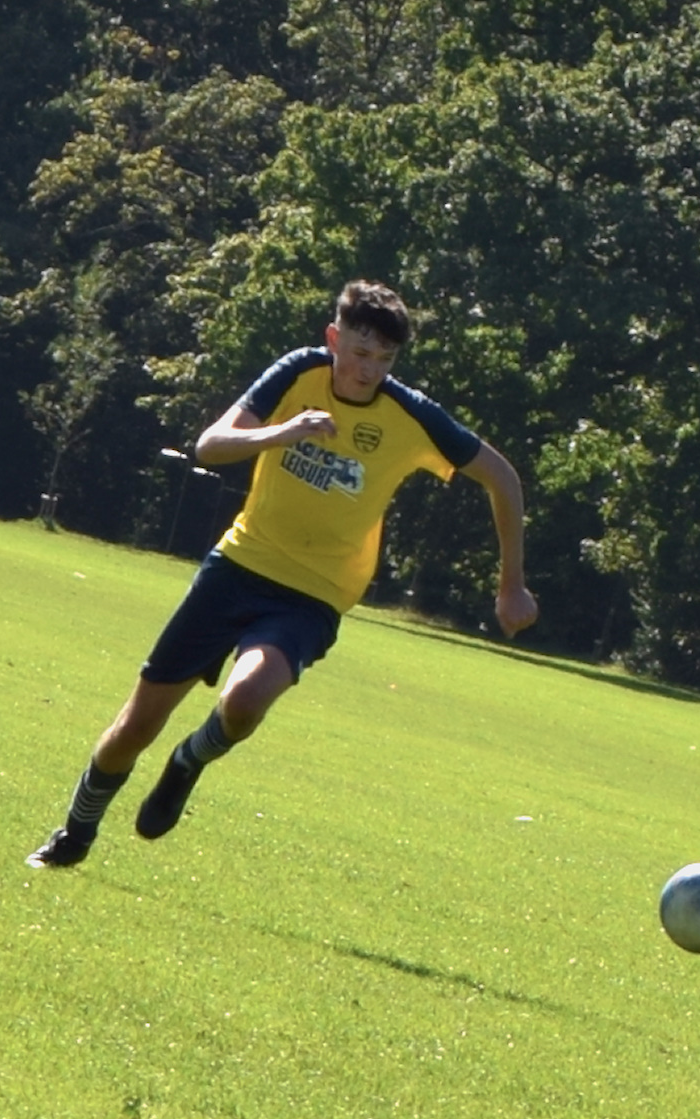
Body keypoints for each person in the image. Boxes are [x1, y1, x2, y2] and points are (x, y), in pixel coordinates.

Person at [29, 279, 539, 869]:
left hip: (313, 594)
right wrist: (285, 431)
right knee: (137, 726)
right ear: (334, 339)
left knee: (245, 700)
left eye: (384, 359)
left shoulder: (411, 414)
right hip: (238, 566)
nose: (370, 370)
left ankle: (189, 760)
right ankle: (75, 833)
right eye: (360, 352)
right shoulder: (299, 372)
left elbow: (502, 478)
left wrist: (511, 584)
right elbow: (211, 445)